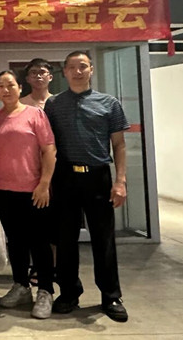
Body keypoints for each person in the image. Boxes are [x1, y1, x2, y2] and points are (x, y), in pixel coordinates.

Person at [44, 51, 130, 323]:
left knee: (103, 239)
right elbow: (47, 145)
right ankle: (69, 292)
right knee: (65, 239)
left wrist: (120, 181)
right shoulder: (53, 105)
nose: (77, 71)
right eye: (72, 67)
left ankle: (111, 296)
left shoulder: (109, 103)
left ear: (91, 69)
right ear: (64, 72)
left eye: (82, 66)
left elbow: (119, 145)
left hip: (98, 177)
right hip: (64, 177)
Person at [0, 70, 56, 319]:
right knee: (15, 242)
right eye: (1, 86)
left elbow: (49, 151)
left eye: (10, 85)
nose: (6, 90)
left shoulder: (34, 114)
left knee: (39, 242)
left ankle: (45, 290)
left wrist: (44, 184)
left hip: (34, 190)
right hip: (3, 191)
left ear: (19, 87)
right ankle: (21, 286)